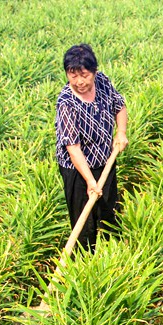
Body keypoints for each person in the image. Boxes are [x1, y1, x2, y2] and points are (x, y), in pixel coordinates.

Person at [55, 43, 128, 251]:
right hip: (77, 169)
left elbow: (119, 105)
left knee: (108, 211)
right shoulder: (66, 103)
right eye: (72, 75)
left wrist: (121, 132)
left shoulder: (103, 81)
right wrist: (89, 180)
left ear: (94, 71)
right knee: (84, 222)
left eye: (84, 75)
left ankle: (112, 254)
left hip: (105, 160)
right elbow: (73, 147)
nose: (79, 82)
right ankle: (86, 262)